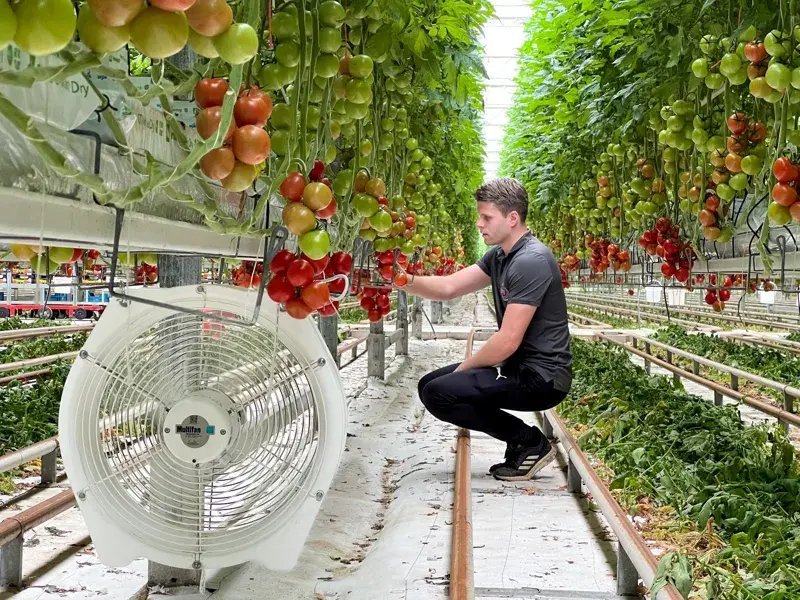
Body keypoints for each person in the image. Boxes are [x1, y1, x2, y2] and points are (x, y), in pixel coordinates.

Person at [402, 178, 572, 481]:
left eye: (487, 217)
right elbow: (450, 287)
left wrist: (464, 370)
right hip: (520, 367)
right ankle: (522, 442)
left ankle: (528, 443)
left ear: (512, 218)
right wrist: (401, 280)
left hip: (542, 378)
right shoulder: (501, 256)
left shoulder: (530, 260)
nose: (480, 224)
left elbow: (507, 341)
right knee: (429, 384)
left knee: (440, 392)